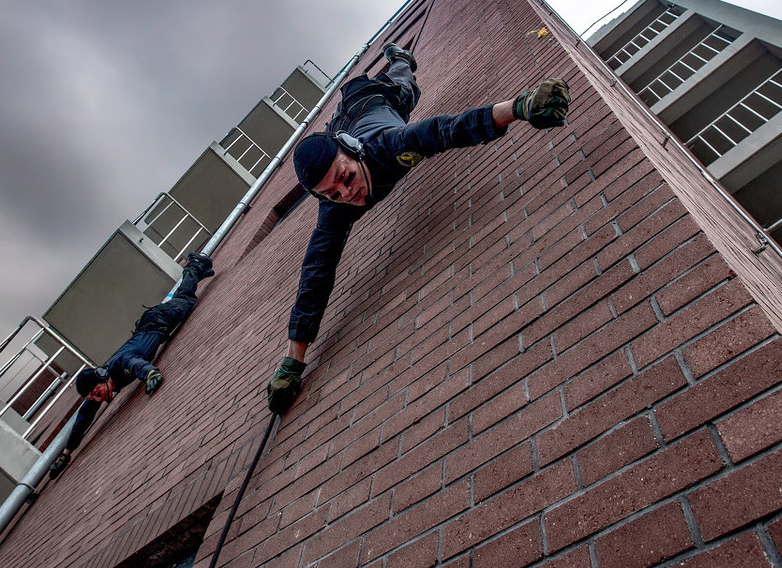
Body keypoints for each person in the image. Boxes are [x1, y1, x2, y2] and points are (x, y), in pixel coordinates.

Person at [266, 43, 571, 414]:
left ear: (353, 152)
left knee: (406, 90)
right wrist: (291, 362)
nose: (349, 194)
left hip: (372, 101)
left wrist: (520, 107)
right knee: (320, 254)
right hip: (339, 126)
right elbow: (315, 275)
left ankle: (400, 60)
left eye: (345, 178)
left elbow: (442, 131)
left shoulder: (385, 146)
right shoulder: (334, 208)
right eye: (332, 192)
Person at [48, 251, 215, 478]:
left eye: (97, 392)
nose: (99, 398)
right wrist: (65, 454)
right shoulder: (99, 390)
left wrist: (151, 374)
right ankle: (198, 272)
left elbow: (135, 363)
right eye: (95, 397)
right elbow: (83, 420)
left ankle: (194, 265)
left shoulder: (117, 366)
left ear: (102, 376)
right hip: (153, 324)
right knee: (184, 297)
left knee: (186, 299)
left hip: (159, 321)